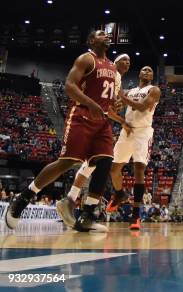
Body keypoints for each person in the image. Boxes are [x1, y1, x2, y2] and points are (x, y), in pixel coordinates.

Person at [6, 30, 126, 232]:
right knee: (68, 162)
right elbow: (69, 86)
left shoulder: (113, 68)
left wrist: (116, 103)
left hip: (103, 121)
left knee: (105, 161)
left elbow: (108, 97)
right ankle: (23, 197)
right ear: (91, 40)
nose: (106, 36)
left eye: (107, 34)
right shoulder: (86, 59)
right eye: (100, 34)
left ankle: (88, 213)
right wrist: (92, 103)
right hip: (82, 115)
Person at [56, 53, 132, 227]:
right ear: (116, 62)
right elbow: (107, 108)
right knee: (86, 163)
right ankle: (72, 201)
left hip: (98, 121)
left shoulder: (116, 77)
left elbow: (110, 106)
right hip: (90, 120)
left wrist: (119, 106)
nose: (127, 63)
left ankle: (75, 202)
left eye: (129, 61)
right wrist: (122, 121)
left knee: (90, 165)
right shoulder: (113, 73)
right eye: (124, 60)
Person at [106, 66, 160, 230]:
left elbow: (143, 106)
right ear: (139, 73)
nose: (147, 72)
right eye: (144, 70)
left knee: (138, 170)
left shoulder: (154, 90)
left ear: (152, 76)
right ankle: (120, 193)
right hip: (127, 130)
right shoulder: (130, 91)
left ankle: (136, 215)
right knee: (114, 169)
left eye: (150, 71)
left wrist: (123, 96)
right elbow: (113, 109)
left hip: (143, 132)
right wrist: (119, 113)